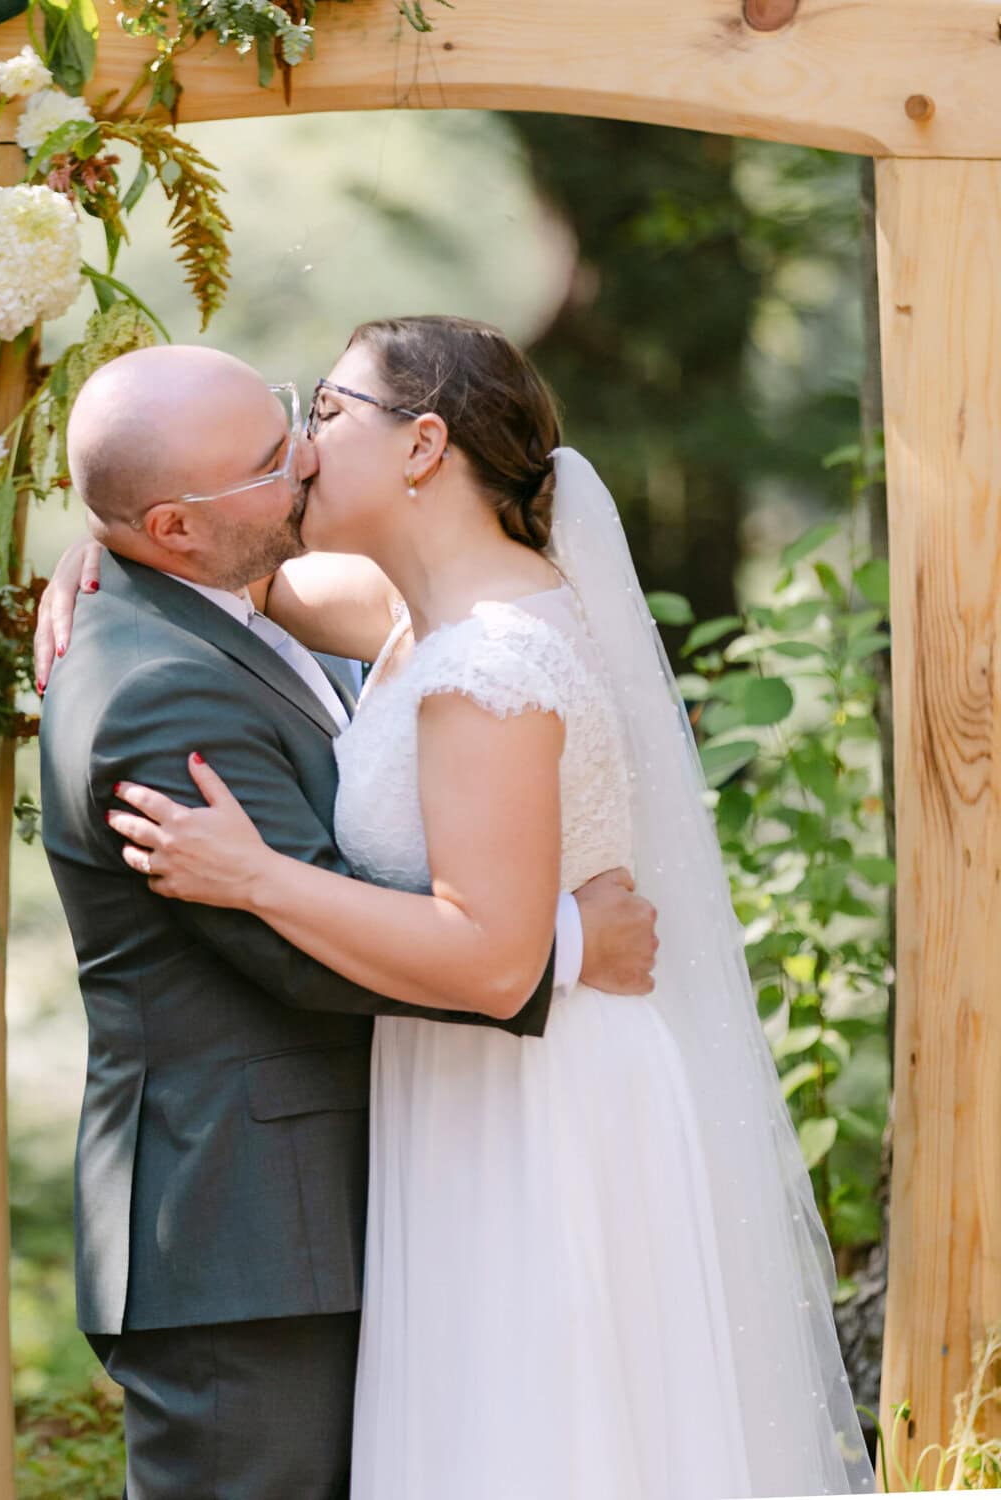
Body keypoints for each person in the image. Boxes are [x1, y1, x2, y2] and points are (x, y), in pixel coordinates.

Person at [49, 316, 876, 1499]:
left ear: (425, 444)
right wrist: (99, 546)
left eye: (322, 413)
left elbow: (490, 959)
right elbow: (226, 559)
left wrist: (258, 874)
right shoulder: (411, 614)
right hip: (460, 1089)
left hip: (526, 1100)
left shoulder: (487, 660)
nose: (304, 445)